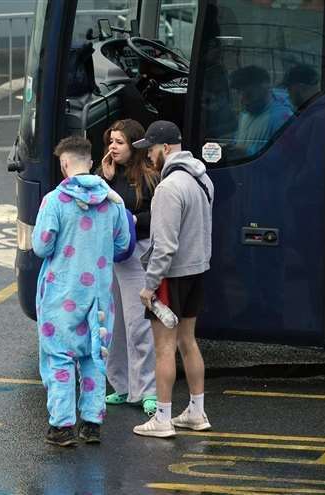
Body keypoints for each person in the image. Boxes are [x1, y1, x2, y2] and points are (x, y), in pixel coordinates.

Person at [32, 136, 131, 447]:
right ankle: (92, 423)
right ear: (90, 162)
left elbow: (41, 245)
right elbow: (122, 245)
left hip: (62, 292)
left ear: (64, 164)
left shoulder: (54, 201)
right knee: (93, 356)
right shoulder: (113, 201)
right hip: (99, 292)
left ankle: (61, 426)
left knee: (59, 357)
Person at [130, 121, 214, 438]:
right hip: (197, 270)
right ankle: (196, 410)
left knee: (164, 348)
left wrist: (149, 286)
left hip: (170, 277)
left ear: (166, 148)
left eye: (150, 150)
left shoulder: (168, 189)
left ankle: (162, 418)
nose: (148, 157)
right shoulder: (202, 179)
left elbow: (164, 246)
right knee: (188, 342)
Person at [97, 119, 160, 416]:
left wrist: (135, 221)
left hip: (137, 255)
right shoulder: (106, 176)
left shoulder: (149, 176)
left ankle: (146, 390)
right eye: (111, 141)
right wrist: (105, 179)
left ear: (133, 145)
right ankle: (121, 386)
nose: (112, 146)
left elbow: (159, 214)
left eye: (119, 142)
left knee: (138, 325)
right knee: (112, 324)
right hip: (111, 256)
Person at [230, 65, 293, 156]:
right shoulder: (246, 113)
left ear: (264, 86)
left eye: (249, 94)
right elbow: (240, 137)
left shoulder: (281, 118)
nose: (242, 100)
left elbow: (284, 155)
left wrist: (246, 152)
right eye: (239, 93)